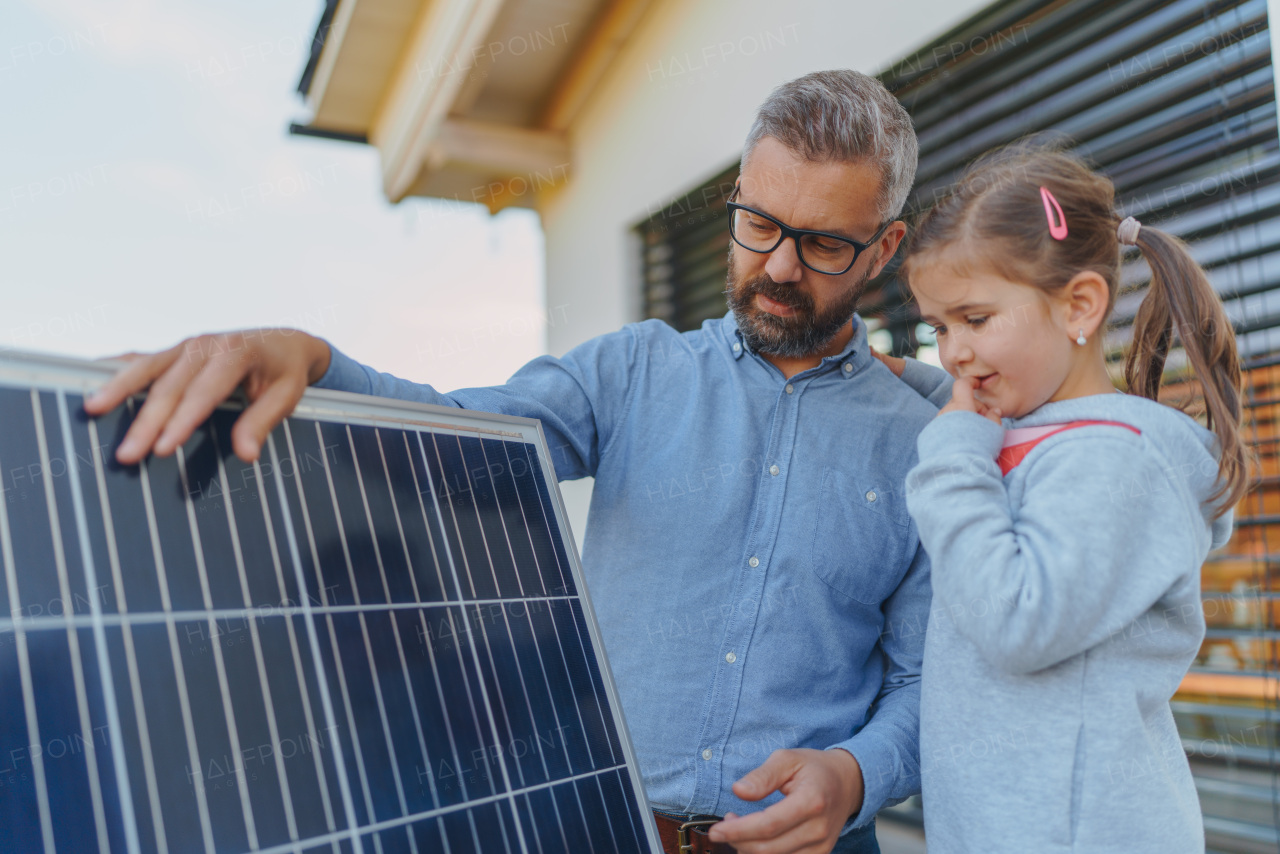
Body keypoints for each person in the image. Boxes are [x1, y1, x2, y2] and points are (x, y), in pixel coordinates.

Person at [87, 70, 953, 854]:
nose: (777, 266)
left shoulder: (927, 441)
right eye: (758, 224)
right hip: (602, 831)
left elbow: (928, 684)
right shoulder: (631, 372)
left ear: (883, 249)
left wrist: (855, 776)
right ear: (736, 198)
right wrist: (316, 360)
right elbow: (458, 442)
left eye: (824, 244)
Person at [892, 145, 1245, 853]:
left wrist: (953, 459)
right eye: (939, 328)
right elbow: (1002, 424)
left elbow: (1019, 619)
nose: (954, 353)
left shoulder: (1116, 463)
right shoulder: (1051, 428)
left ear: (1080, 305)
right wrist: (894, 373)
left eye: (975, 318)